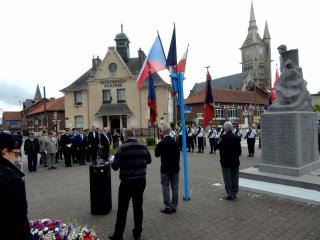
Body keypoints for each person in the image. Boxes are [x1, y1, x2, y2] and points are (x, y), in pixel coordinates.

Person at [109, 129, 152, 240]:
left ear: (125, 137)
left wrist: (112, 160)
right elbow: (149, 160)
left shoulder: (122, 148)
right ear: (133, 135)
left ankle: (118, 235)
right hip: (141, 180)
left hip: (127, 182)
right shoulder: (143, 146)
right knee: (138, 207)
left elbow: (114, 167)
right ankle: (137, 233)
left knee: (122, 209)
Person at [0, 132, 33, 240]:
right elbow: (18, 217)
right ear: (5, 152)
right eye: (15, 154)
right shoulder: (11, 178)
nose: (17, 158)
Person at [155, 124, 180, 214]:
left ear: (162, 132)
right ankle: (174, 206)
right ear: (170, 132)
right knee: (175, 187)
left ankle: (167, 206)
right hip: (175, 168)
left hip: (165, 168)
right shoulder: (175, 142)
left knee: (165, 187)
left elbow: (156, 154)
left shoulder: (161, 143)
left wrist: (157, 144)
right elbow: (178, 156)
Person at [218, 121, 241, 200]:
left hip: (226, 161)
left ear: (225, 128)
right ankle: (234, 192)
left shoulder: (223, 137)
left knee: (227, 178)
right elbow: (239, 151)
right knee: (234, 177)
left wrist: (218, 137)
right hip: (235, 161)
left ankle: (230, 194)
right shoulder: (237, 137)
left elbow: (217, 146)